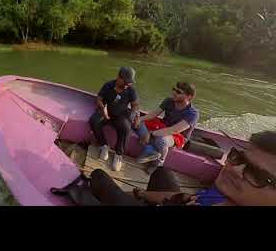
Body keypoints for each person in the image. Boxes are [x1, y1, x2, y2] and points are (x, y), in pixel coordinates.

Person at [88, 130, 276, 206]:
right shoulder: (229, 196)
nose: (235, 169)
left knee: (98, 177)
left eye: (257, 175)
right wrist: (140, 194)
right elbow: (187, 198)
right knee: (162, 173)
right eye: (239, 158)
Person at [133, 81, 199, 173]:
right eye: (174, 89)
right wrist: (139, 119)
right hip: (162, 126)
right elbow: (154, 114)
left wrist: (150, 133)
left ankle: (159, 162)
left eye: (179, 92)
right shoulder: (169, 101)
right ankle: (151, 148)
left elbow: (174, 130)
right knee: (134, 119)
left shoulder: (193, 113)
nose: (174, 93)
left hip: (177, 136)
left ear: (189, 96)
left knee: (161, 139)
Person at [89, 67, 140, 171]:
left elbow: (135, 105)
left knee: (126, 128)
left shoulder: (130, 90)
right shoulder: (108, 85)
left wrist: (134, 114)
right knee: (94, 121)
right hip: (106, 112)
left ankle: (118, 155)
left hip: (120, 115)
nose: (127, 84)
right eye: (125, 82)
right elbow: (99, 98)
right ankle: (104, 145)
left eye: (129, 82)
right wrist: (103, 108)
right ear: (119, 78)